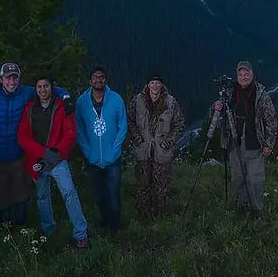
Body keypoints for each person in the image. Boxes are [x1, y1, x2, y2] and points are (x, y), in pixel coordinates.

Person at [0, 62, 70, 228]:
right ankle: (5, 230)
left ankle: (23, 228)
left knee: (21, 195)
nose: (12, 82)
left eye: (15, 78)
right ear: (1, 79)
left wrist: (66, 97)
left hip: (18, 156)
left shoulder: (26, 92)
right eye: (8, 78)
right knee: (1, 195)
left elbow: (49, 88)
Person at [17, 74, 89, 247]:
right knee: (42, 196)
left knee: (69, 193)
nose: (42, 90)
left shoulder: (62, 107)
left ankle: (81, 233)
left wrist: (51, 156)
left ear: (52, 88)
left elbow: (69, 136)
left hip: (57, 159)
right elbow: (22, 136)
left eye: (46, 86)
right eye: (39, 87)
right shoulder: (29, 108)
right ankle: (48, 230)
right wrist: (42, 154)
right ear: (36, 89)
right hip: (36, 160)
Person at [213, 61, 278, 213]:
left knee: (255, 179)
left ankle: (257, 210)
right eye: (240, 74)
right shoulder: (230, 92)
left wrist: (269, 143)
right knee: (237, 177)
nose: (243, 77)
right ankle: (240, 208)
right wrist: (215, 108)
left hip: (255, 142)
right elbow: (218, 115)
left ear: (252, 75)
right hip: (234, 142)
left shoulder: (261, 95)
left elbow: (271, 120)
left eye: (246, 74)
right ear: (237, 76)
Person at [76, 66, 127, 233]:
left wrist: (115, 149)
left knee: (113, 192)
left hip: (113, 157)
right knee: (98, 194)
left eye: (101, 77)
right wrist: (87, 151)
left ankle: (114, 224)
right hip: (93, 158)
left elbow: (123, 126)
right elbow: (80, 129)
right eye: (95, 77)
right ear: (90, 81)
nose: (98, 80)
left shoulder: (116, 100)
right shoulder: (82, 102)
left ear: (106, 80)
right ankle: (105, 219)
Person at [127, 71, 185, 216]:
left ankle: (160, 216)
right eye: (152, 82)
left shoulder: (171, 102)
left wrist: (170, 141)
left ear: (162, 84)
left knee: (161, 186)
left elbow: (180, 123)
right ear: (147, 85)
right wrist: (137, 138)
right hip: (143, 150)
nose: (155, 85)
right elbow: (129, 120)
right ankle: (142, 216)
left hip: (162, 151)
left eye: (157, 82)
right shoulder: (137, 101)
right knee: (142, 185)